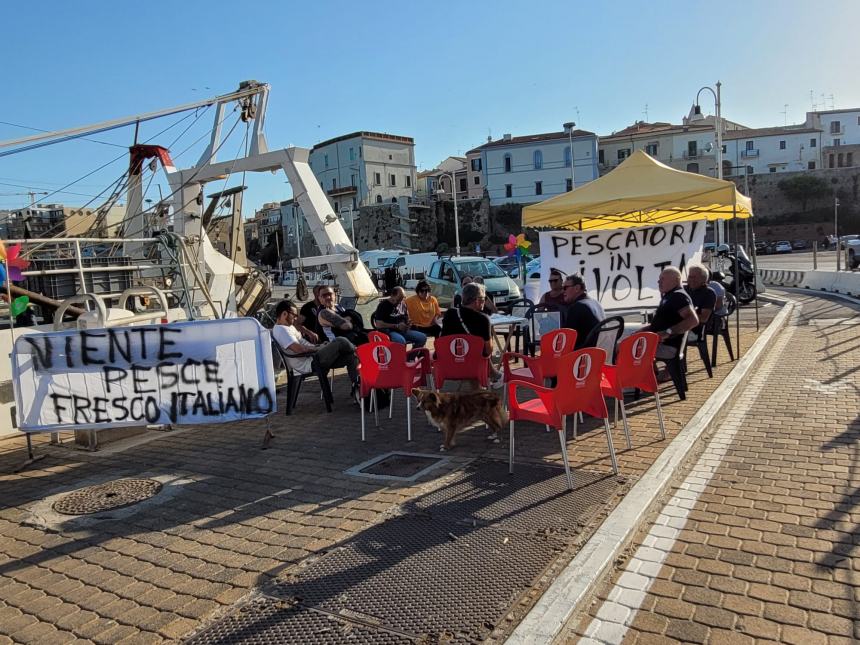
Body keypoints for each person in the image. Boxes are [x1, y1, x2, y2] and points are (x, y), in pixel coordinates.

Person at [272, 299, 360, 398]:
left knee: (352, 357)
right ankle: (360, 351)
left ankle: (358, 389)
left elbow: (304, 345)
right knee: (340, 341)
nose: (296, 318)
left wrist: (319, 346)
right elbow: (299, 349)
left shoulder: (289, 327)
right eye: (294, 315)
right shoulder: (281, 331)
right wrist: (320, 348)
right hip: (309, 364)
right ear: (284, 314)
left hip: (313, 358)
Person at [441, 282, 503, 387]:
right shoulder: (483, 319)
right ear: (477, 300)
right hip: (474, 366)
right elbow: (488, 351)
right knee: (479, 353)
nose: (484, 302)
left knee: (471, 352)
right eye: (483, 299)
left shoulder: (450, 314)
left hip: (449, 364)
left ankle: (494, 376)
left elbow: (442, 340)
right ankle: (493, 377)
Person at [642, 267, 699, 360]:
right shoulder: (669, 295)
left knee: (623, 348)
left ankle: (647, 373)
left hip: (667, 347)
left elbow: (693, 320)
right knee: (625, 343)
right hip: (658, 342)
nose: (658, 282)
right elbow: (660, 324)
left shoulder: (678, 296)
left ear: (676, 280)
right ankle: (652, 372)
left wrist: (668, 332)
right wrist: (643, 330)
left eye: (662, 279)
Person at [561, 274, 605, 349]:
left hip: (584, 355)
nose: (563, 291)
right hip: (601, 352)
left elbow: (566, 338)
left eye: (565, 288)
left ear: (577, 288)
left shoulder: (577, 307)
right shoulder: (596, 303)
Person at [684, 264, 717, 340]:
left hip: (695, 331)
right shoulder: (684, 290)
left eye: (694, 277)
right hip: (680, 327)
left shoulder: (709, 293)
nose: (691, 279)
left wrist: (681, 316)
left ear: (703, 279)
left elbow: (704, 318)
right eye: (690, 276)